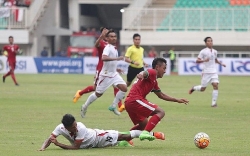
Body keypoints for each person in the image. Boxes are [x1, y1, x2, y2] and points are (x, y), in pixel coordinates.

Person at [125, 57, 189, 141]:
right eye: (164, 68)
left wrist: (177, 100)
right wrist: (142, 74)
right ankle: (146, 133)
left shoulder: (154, 81)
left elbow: (161, 95)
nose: (165, 71)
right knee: (160, 112)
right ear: (157, 67)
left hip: (129, 102)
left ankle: (124, 140)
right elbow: (146, 73)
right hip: (135, 100)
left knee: (143, 124)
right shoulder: (153, 72)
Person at [38, 114, 165, 150]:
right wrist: (43, 148)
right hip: (94, 145)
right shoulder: (60, 128)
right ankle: (123, 143)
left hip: (98, 137)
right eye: (73, 126)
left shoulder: (81, 127)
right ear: (66, 127)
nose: (76, 127)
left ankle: (152, 134)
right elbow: (50, 138)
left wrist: (59, 144)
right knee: (119, 142)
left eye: (76, 124)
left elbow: (76, 147)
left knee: (123, 136)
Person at [73, 27, 125, 112]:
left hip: (110, 70)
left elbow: (113, 58)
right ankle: (80, 93)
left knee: (116, 86)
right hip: (101, 69)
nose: (109, 35)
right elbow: (96, 45)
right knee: (95, 88)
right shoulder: (102, 43)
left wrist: (116, 68)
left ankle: (119, 105)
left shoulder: (112, 45)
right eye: (106, 33)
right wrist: (101, 36)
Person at [188, 37, 226, 107]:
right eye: (208, 41)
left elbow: (216, 60)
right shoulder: (203, 51)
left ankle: (213, 103)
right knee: (203, 89)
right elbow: (197, 60)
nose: (210, 42)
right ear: (206, 43)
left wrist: (221, 64)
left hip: (214, 72)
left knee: (215, 85)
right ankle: (194, 88)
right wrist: (204, 60)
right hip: (206, 72)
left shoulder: (215, 51)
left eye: (211, 41)